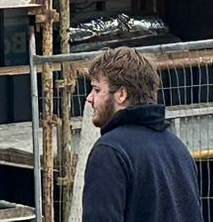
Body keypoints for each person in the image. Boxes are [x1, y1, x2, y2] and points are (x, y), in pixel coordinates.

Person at [80, 46, 201, 222]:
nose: (89, 98)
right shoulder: (178, 148)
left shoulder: (110, 151)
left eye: (97, 90)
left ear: (121, 94)